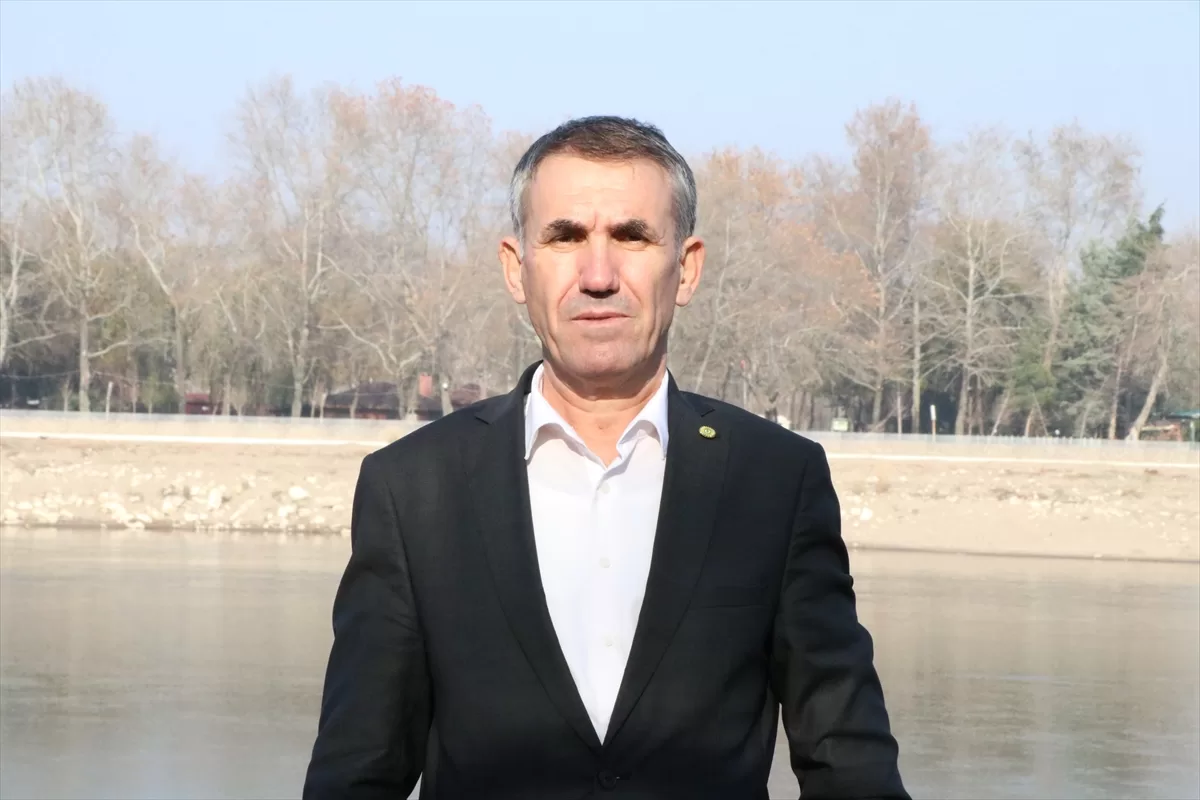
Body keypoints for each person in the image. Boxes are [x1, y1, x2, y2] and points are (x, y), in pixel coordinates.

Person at [303, 116, 908, 800]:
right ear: (516, 267)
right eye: (564, 237)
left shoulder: (773, 481)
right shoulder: (414, 489)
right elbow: (357, 774)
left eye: (631, 236)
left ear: (686, 267)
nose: (597, 276)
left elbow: (848, 761)